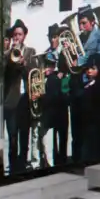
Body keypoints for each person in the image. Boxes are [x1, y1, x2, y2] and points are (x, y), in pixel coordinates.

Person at [3, 20, 32, 173]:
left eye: (19, 34)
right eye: (15, 35)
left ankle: (23, 165)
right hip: (12, 102)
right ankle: (13, 167)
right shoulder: (6, 54)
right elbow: (5, 74)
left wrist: (24, 63)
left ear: (24, 36)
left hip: (25, 99)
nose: (16, 38)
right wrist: (11, 56)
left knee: (24, 135)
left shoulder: (30, 52)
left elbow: (33, 75)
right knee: (13, 137)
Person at [41, 25, 69, 167]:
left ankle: (63, 160)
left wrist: (63, 74)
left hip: (62, 97)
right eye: (51, 37)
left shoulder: (65, 52)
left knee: (63, 131)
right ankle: (53, 161)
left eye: (55, 37)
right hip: (51, 97)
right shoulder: (47, 54)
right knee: (52, 133)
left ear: (59, 37)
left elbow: (70, 70)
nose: (53, 40)